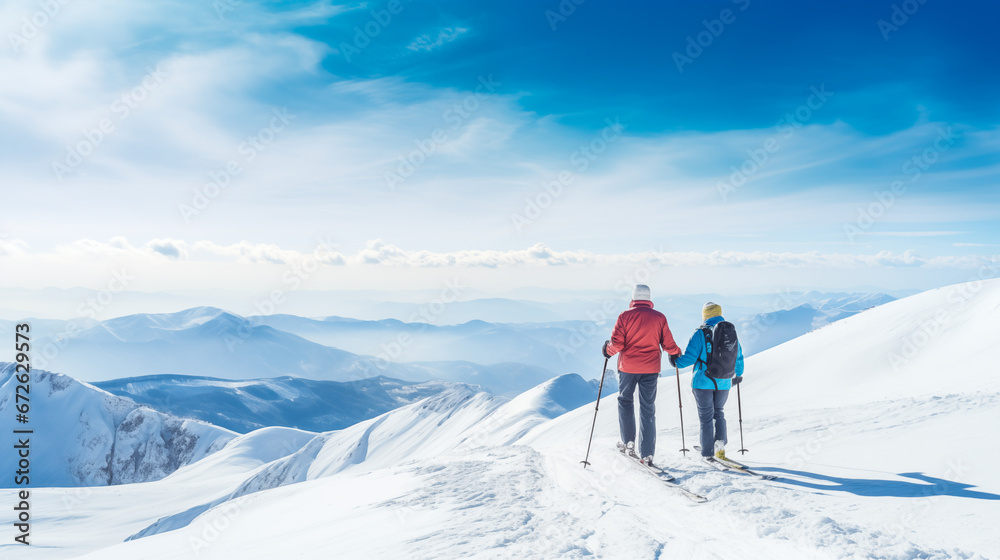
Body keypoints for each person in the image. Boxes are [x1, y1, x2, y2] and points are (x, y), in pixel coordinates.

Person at [602, 284, 682, 466]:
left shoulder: (624, 316)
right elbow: (668, 344)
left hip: (628, 368)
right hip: (650, 369)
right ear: (649, 298)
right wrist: (676, 353)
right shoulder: (659, 317)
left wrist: (607, 350)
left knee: (625, 401)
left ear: (633, 298)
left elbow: (617, 344)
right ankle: (647, 454)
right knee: (647, 408)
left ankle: (628, 441)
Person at [671, 302, 744, 461]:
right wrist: (738, 374)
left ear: (705, 315)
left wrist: (675, 362)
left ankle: (707, 451)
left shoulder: (701, 333)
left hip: (703, 382)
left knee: (706, 417)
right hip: (724, 381)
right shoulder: (730, 333)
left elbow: (689, 358)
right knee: (719, 411)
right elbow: (738, 356)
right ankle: (720, 444)